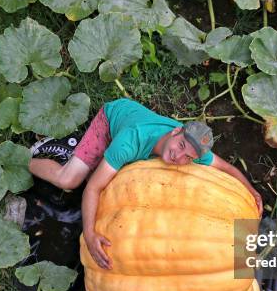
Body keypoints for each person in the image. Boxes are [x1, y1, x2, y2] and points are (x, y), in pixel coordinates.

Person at [29, 98, 263, 270]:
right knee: (72, 180)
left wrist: (251, 190)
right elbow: (93, 189)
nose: (179, 158)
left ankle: (89, 158)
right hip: (110, 125)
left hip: (127, 138)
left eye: (188, 158)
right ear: (176, 132)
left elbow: (226, 168)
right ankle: (31, 157)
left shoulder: (191, 150)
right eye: (180, 146)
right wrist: (89, 234)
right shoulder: (131, 141)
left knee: (112, 180)